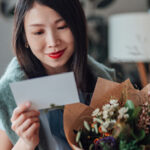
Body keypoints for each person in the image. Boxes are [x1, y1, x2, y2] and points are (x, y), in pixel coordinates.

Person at [0, 0, 116, 149]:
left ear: (77, 28)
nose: (53, 42)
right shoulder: (8, 94)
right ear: (24, 37)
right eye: (38, 32)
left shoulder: (103, 79)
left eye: (62, 27)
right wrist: (26, 143)